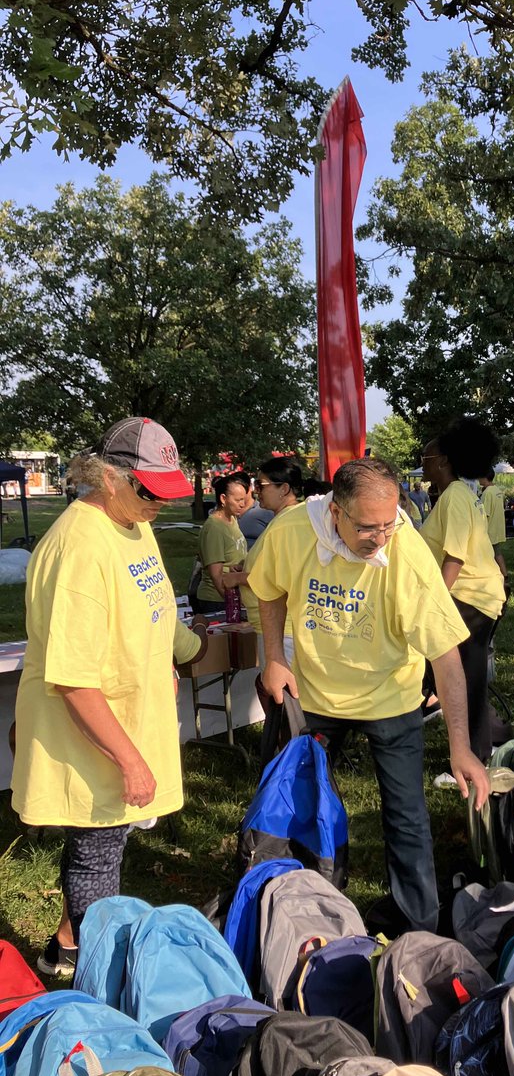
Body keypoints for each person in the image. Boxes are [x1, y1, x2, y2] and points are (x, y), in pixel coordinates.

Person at [251, 457, 488, 932]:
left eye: (388, 524)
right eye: (366, 527)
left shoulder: (409, 556)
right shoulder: (291, 530)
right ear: (334, 512)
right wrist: (274, 656)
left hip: (391, 698)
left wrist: (461, 747)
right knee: (301, 804)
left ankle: (418, 924)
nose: (379, 538)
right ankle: (297, 909)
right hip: (315, 696)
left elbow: (446, 657)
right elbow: (269, 588)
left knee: (406, 816)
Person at [11, 417, 204, 976]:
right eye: (149, 492)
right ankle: (100, 976)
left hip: (124, 716)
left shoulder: (132, 522)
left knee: (109, 843)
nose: (158, 506)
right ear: (108, 477)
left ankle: (67, 946)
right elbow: (72, 677)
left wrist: (167, 658)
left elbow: (151, 605)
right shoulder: (78, 548)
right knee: (97, 855)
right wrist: (131, 759)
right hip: (88, 731)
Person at [421, 420, 507, 762]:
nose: (422, 462)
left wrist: (436, 604)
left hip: (469, 598)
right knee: (461, 676)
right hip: (477, 596)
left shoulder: (456, 496)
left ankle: (476, 757)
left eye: (426, 456)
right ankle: (481, 741)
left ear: (443, 460)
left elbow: (454, 557)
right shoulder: (458, 495)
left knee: (466, 681)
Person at [224, 458, 305, 666]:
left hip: (283, 631)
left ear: (284, 488)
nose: (255, 491)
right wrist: (248, 566)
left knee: (282, 696)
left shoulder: (290, 522)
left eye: (261, 485)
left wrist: (238, 578)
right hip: (276, 628)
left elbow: (280, 577)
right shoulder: (283, 519)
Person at [192, 472, 250, 613]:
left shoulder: (232, 519)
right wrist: (234, 605)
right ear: (223, 498)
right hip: (216, 600)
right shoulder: (214, 527)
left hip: (232, 595)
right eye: (238, 500)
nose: (242, 504)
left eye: (244, 499)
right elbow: (216, 575)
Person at [478, 468, 508, 578]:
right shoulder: (497, 490)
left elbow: (484, 513)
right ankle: (504, 575)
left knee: (488, 555)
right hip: (497, 527)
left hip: (489, 529)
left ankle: (494, 575)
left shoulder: (487, 493)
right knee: (497, 552)